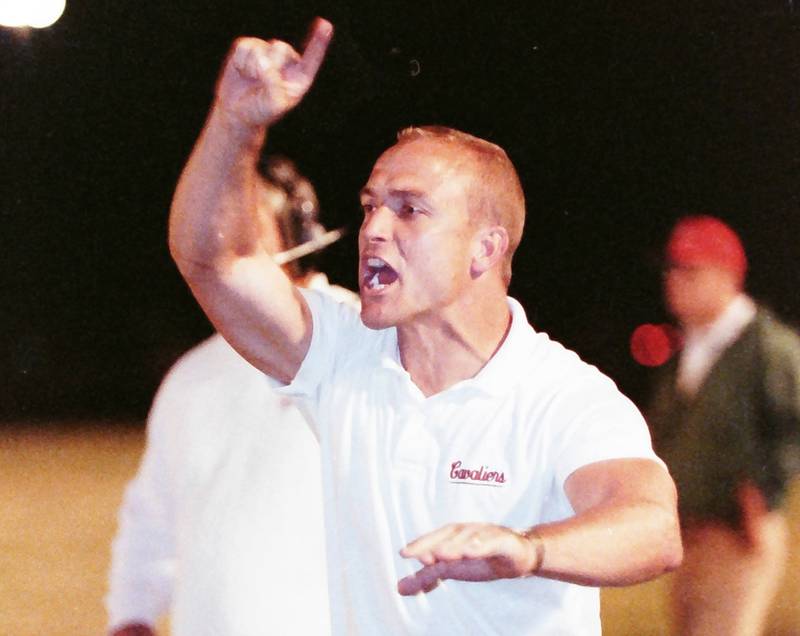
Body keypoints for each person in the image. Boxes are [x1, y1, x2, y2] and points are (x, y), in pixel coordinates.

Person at [167, 17, 682, 635]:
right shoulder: (343, 354)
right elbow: (213, 260)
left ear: (485, 250)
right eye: (369, 207)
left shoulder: (561, 395)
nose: (374, 229)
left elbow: (652, 526)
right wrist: (235, 123)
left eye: (409, 210)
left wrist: (529, 549)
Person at [106, 157, 356, 636]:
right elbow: (152, 515)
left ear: (296, 232)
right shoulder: (193, 375)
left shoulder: (363, 341)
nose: (220, 244)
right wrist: (132, 614)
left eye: (242, 225)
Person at [642, 215, 800, 636]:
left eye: (690, 270)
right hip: (691, 531)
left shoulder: (767, 345)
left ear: (728, 275)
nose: (675, 280)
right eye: (671, 269)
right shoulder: (692, 344)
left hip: (737, 532)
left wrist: (762, 492)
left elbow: (792, 427)